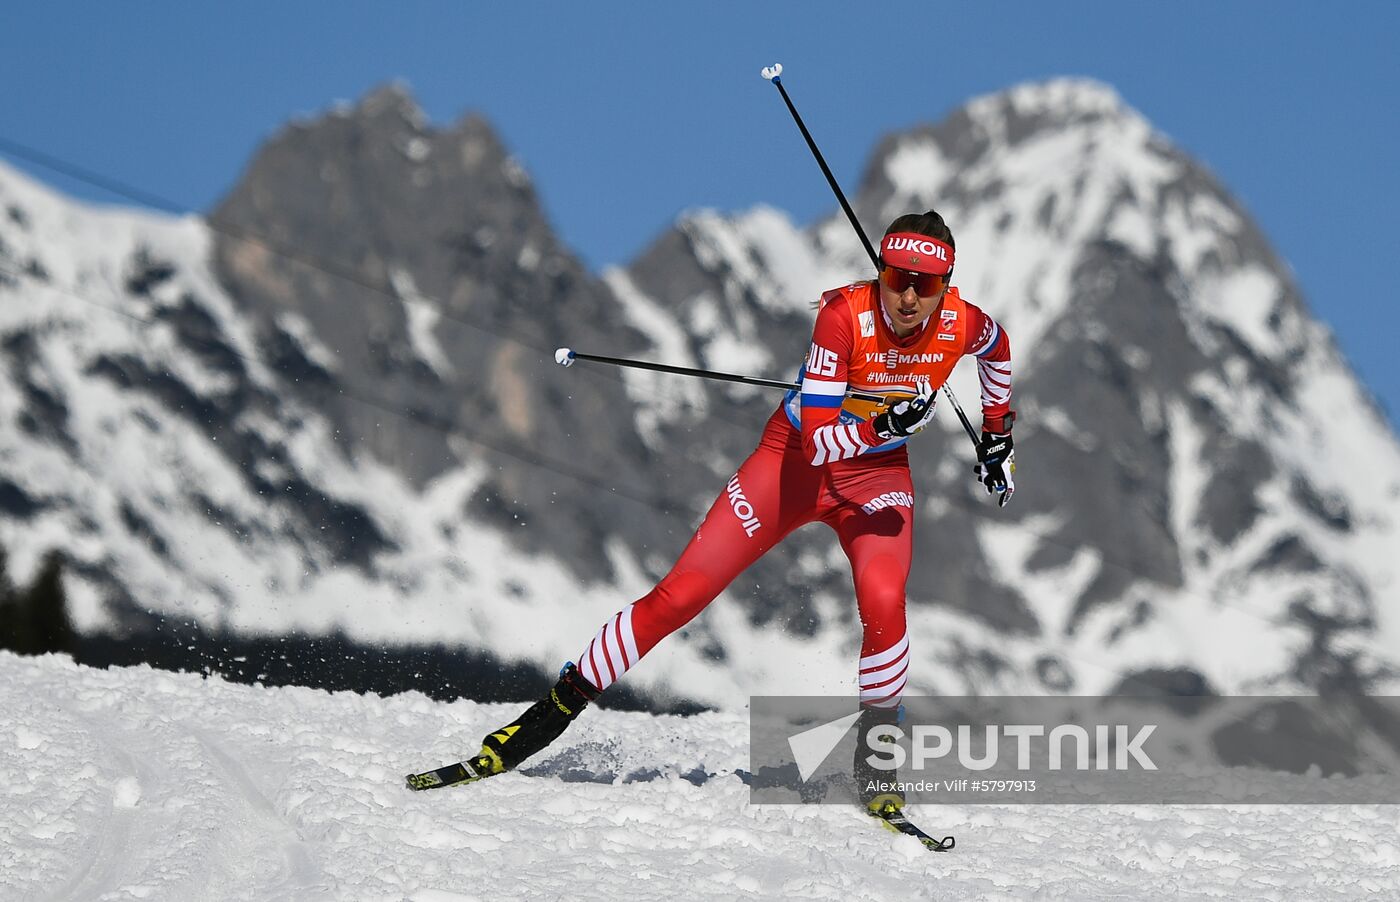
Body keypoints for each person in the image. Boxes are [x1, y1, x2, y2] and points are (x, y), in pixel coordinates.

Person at [462, 210, 1015, 814]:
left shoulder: (962, 323)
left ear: (947, 287)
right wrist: (884, 423)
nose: (909, 296)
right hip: (795, 461)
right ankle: (545, 717)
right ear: (880, 270)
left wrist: (996, 437)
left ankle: (876, 764)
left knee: (885, 604)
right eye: (897, 276)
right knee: (679, 596)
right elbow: (820, 442)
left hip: (876, 478)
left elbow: (998, 352)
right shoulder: (843, 317)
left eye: (926, 284)